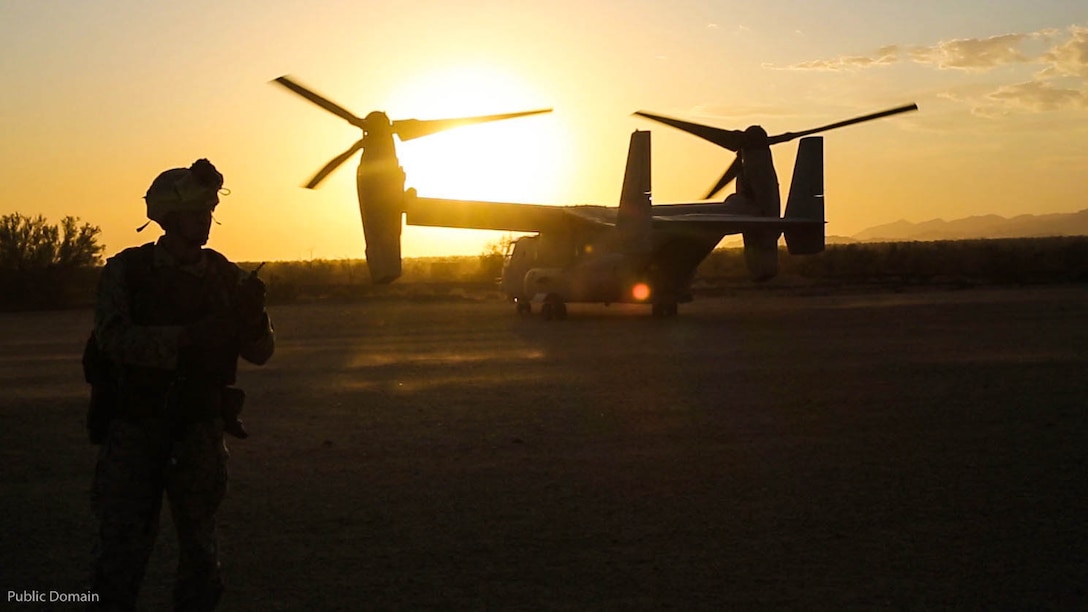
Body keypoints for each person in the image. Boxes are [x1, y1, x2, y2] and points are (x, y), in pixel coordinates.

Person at [88, 158, 274, 611]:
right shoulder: (126, 272)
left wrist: (252, 319)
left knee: (199, 551)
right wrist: (185, 339)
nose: (206, 221)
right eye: (196, 213)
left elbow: (261, 352)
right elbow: (111, 340)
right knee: (122, 550)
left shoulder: (225, 276)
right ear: (169, 219)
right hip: (136, 426)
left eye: (209, 211)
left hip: (199, 429)